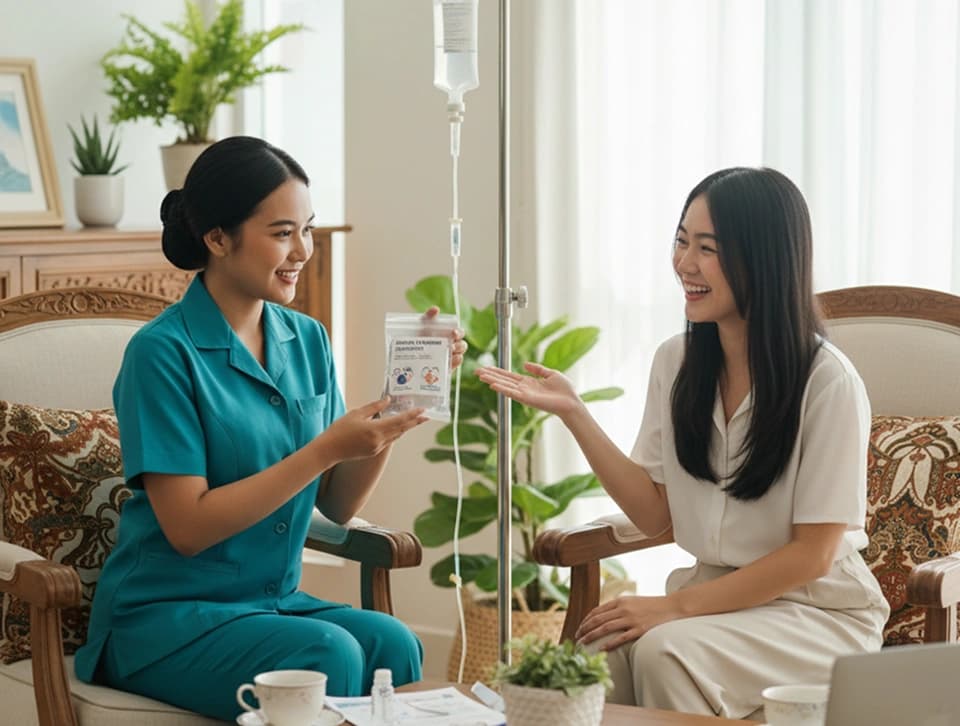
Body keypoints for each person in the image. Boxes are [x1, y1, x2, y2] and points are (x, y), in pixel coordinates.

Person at [75, 136, 467, 721]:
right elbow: (187, 527)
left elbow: (335, 506)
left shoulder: (307, 338)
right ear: (217, 238)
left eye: (307, 229)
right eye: (283, 233)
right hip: (164, 618)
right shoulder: (161, 353)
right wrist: (323, 449)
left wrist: (393, 415)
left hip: (270, 604)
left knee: (393, 643)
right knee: (327, 651)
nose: (304, 250)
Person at [476, 167, 889, 720]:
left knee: (666, 651)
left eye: (707, 248)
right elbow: (654, 514)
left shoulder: (827, 381)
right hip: (718, 602)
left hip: (814, 616)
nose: (684, 264)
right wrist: (575, 413)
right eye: (681, 241)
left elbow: (812, 556)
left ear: (764, 258)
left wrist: (673, 607)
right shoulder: (677, 363)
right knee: (598, 648)